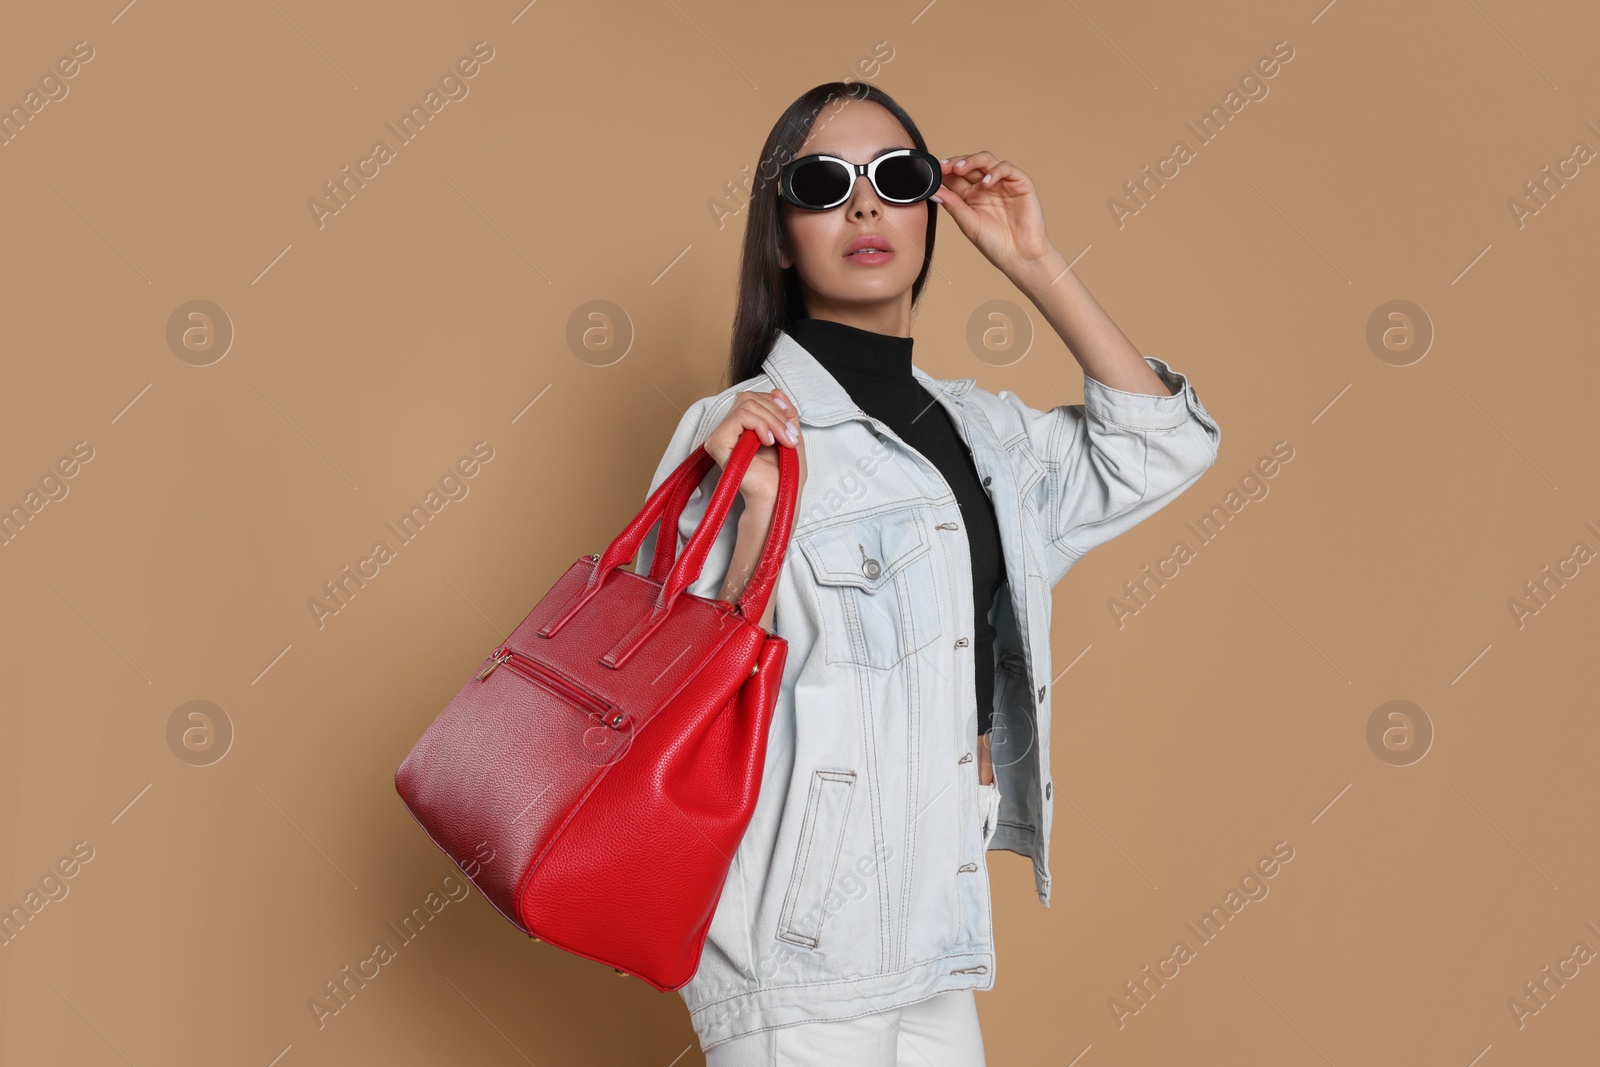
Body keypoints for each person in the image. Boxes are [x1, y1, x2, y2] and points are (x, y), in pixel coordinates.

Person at [633, 81, 1222, 1066]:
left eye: (894, 179)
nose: (864, 207)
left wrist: (1036, 265)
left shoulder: (988, 434)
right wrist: (756, 519)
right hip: (795, 954)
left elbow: (1162, 447)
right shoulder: (739, 429)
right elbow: (664, 688)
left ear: (927, 212)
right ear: (779, 236)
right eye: (823, 183)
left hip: (938, 944)